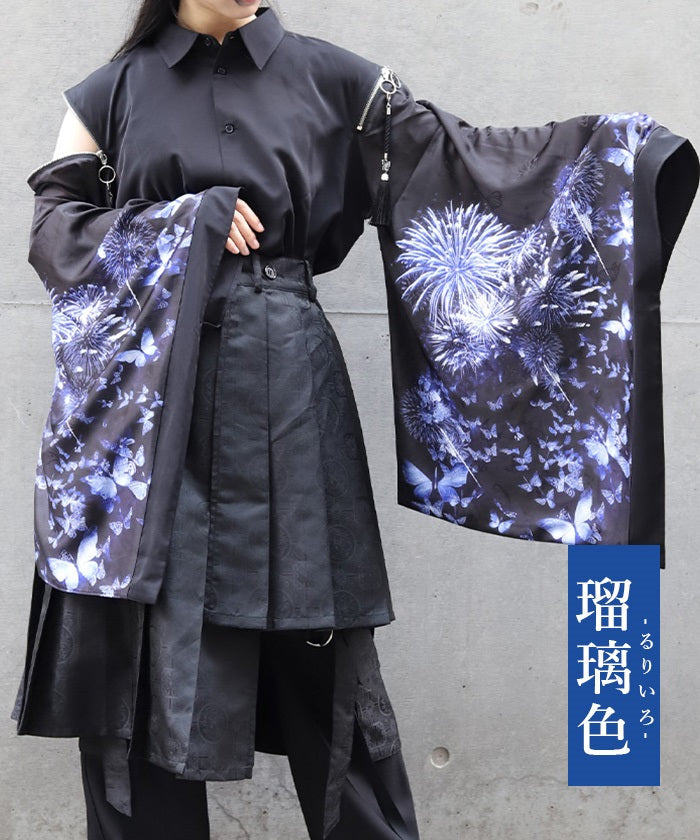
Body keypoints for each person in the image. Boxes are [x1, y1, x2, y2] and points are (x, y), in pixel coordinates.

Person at [12, 1, 425, 838]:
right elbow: (56, 234)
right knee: (141, 657)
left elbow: (454, 171)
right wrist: (181, 222)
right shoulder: (111, 93)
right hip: (145, 409)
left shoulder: (338, 79)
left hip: (289, 390)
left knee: (328, 653)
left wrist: (610, 169)